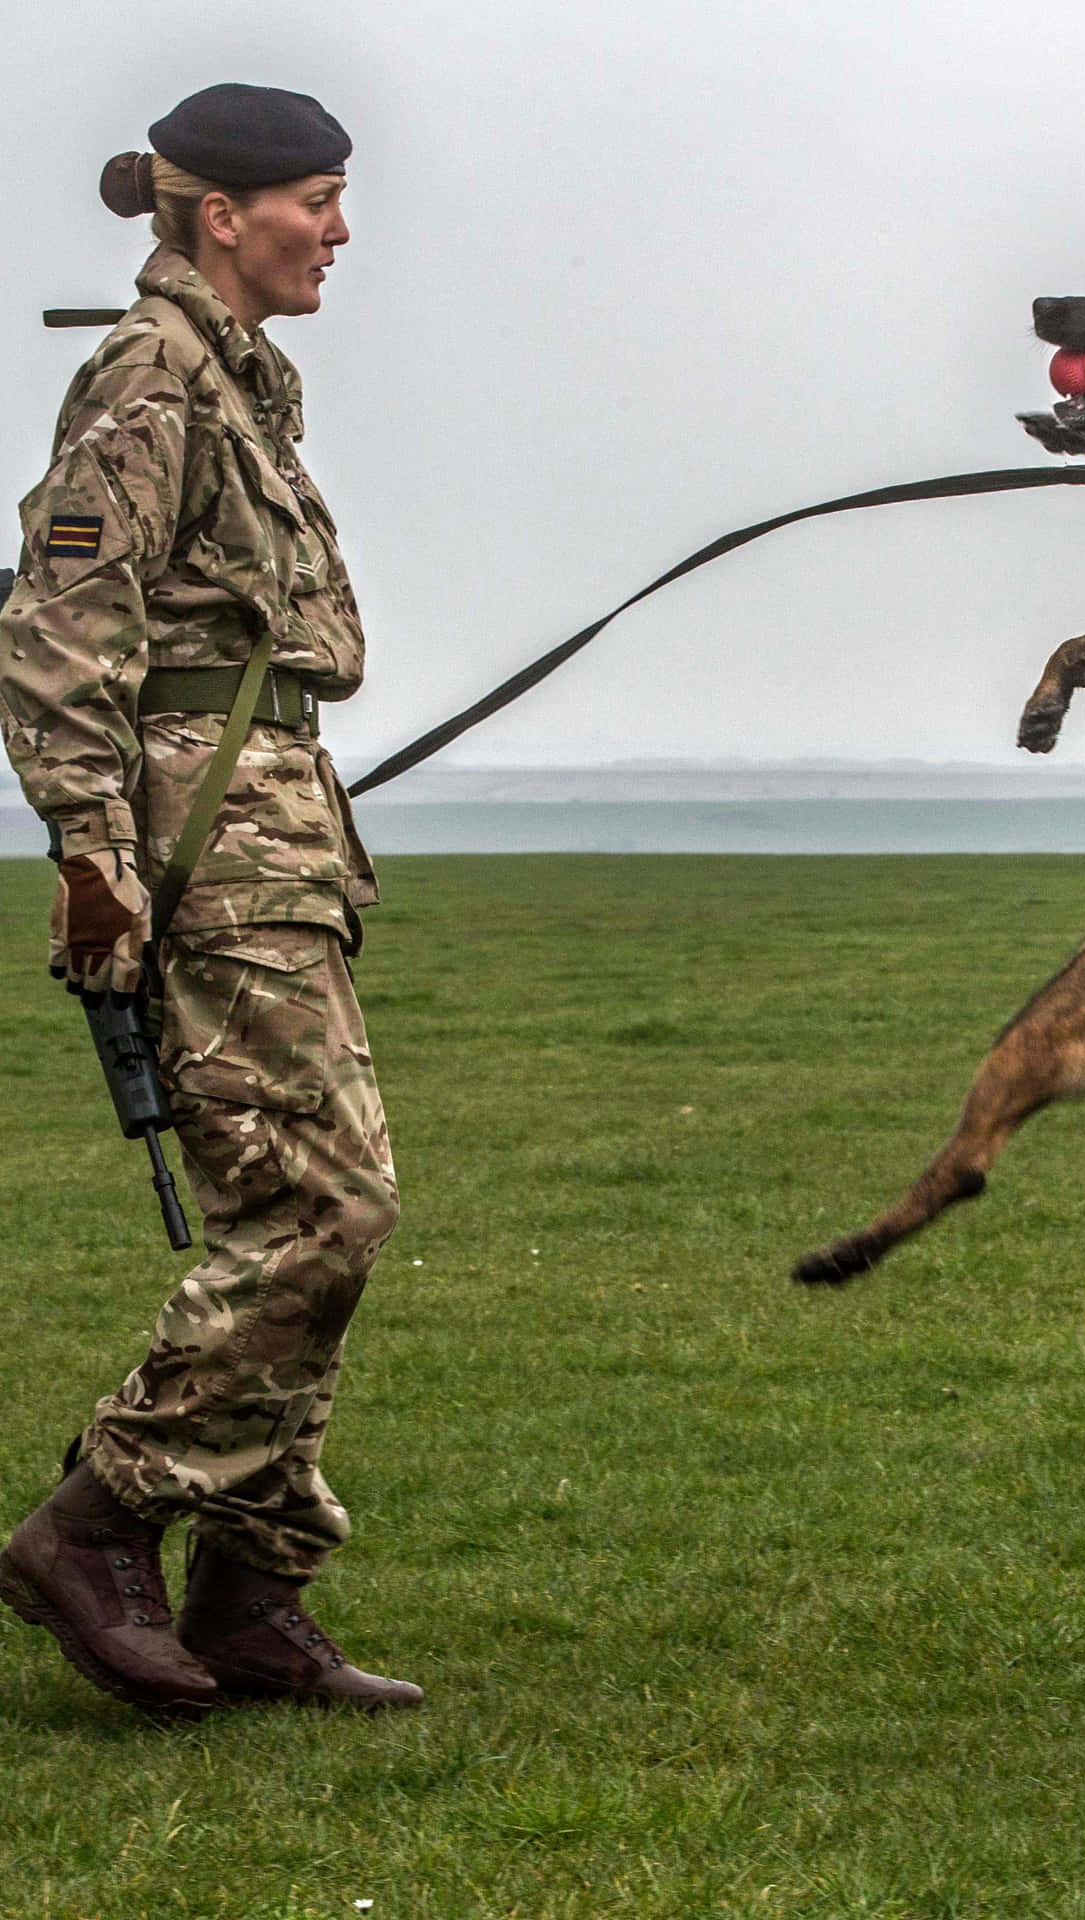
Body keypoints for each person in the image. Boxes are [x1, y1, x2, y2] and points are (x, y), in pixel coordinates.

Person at [0, 83, 419, 1713]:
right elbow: (57, 635)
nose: (337, 229)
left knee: (308, 1212)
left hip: (275, 830)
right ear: (216, 215)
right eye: (315, 198)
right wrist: (98, 862)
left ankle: (255, 1593)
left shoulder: (245, 381)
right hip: (205, 852)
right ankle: (95, 1522)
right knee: (326, 1212)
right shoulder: (149, 380)